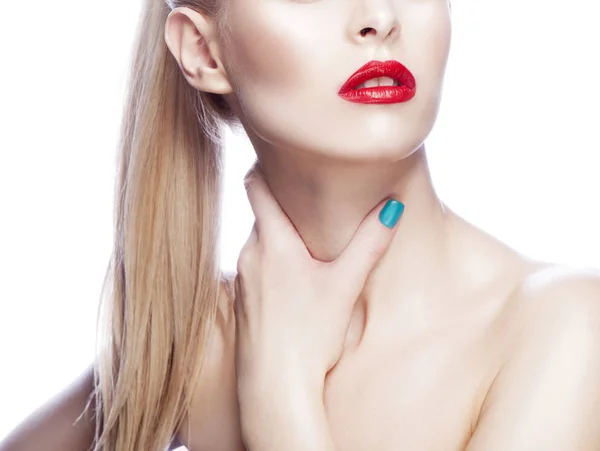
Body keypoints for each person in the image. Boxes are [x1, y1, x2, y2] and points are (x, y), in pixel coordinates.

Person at [2, 0, 600, 450]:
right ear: (205, 53)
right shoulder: (193, 348)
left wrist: (280, 401)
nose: (377, 18)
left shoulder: (567, 328)